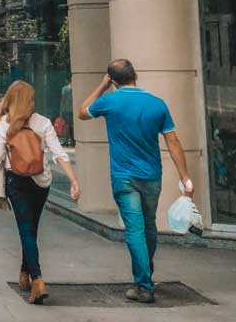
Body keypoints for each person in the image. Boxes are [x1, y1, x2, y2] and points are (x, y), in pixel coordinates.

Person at [78, 59, 195, 305]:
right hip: (152, 175)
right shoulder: (157, 104)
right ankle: (145, 276)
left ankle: (144, 285)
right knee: (149, 226)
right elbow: (172, 141)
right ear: (136, 75)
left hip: (124, 177)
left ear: (113, 80)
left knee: (134, 229)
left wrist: (101, 86)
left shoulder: (109, 101)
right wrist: (184, 176)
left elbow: (82, 112)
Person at [0, 81, 81, 305]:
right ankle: (23, 273)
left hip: (16, 181)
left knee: (25, 229)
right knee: (31, 227)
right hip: (41, 182)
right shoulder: (43, 122)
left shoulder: (4, 124)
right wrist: (73, 180)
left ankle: (37, 280)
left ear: (10, 99)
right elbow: (59, 154)